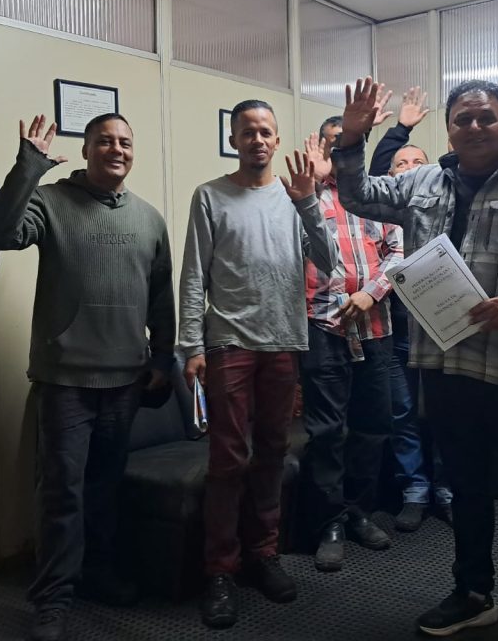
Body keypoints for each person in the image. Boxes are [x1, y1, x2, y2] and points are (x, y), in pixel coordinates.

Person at [333, 77, 498, 641]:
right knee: (467, 488)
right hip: (447, 366)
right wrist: (353, 137)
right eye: (463, 119)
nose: (475, 127)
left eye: (486, 117)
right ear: (449, 127)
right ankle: (473, 593)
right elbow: (356, 195)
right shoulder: (421, 181)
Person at [0, 113, 175, 641]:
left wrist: (163, 358)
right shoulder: (50, 201)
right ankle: (52, 599)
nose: (116, 149)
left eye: (125, 141)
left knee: (104, 487)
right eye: (104, 141)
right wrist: (29, 167)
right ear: (86, 150)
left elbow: (161, 296)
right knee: (61, 492)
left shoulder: (149, 219)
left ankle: (97, 573)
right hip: (65, 380)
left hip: (127, 380)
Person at [179, 100, 336, 630]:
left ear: (276, 138)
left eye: (266, 131)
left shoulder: (296, 197)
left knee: (272, 452)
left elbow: (329, 263)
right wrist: (191, 345)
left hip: (283, 341)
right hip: (229, 343)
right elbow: (194, 276)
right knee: (227, 460)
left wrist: (309, 201)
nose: (258, 140)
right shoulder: (210, 196)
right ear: (234, 140)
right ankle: (220, 570)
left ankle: (263, 555)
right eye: (247, 132)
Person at [298, 117, 404, 572]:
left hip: (376, 328)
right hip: (322, 328)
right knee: (326, 433)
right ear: (321, 149)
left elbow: (399, 252)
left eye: (348, 144)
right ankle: (329, 524)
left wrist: (371, 293)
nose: (340, 153)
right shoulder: (304, 197)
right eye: (332, 144)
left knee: (372, 427)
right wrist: (309, 188)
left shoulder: (378, 196)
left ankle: (359, 512)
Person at [364, 87, 451, 532]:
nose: (411, 169)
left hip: (444, 326)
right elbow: (373, 173)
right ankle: (414, 490)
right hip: (398, 328)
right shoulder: (384, 210)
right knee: (403, 412)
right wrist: (400, 129)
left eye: (419, 162)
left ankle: (447, 490)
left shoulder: (444, 204)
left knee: (447, 413)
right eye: (402, 164)